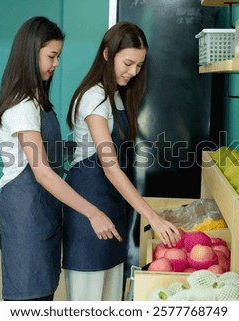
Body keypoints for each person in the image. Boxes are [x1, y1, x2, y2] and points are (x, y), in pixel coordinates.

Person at [0, 16, 121, 301]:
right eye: (51, 56)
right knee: (28, 299)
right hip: (25, 212)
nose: (56, 64)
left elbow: (47, 153)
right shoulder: (22, 105)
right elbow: (42, 172)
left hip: (43, 212)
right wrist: (93, 212)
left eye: (58, 56)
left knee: (44, 294)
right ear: (31, 52)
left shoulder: (37, 100)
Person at [63, 21, 181, 301]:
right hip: (89, 208)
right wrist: (151, 216)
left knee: (111, 296)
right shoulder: (94, 98)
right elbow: (110, 167)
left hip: (113, 205)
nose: (134, 72)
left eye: (139, 66)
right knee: (87, 301)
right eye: (128, 63)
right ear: (107, 54)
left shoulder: (116, 96)